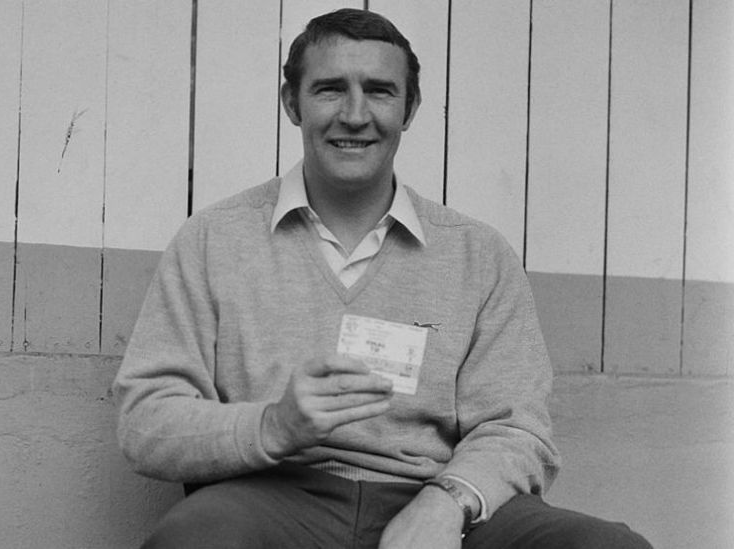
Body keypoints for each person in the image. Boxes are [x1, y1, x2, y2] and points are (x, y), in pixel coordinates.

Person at [114, 8, 652, 549]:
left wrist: (450, 502)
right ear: (291, 104)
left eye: (379, 91)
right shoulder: (213, 240)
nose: (354, 114)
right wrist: (273, 426)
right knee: (192, 540)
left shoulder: (477, 254)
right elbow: (146, 421)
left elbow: (517, 427)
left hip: (436, 496)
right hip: (269, 498)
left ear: (410, 107)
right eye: (329, 89)